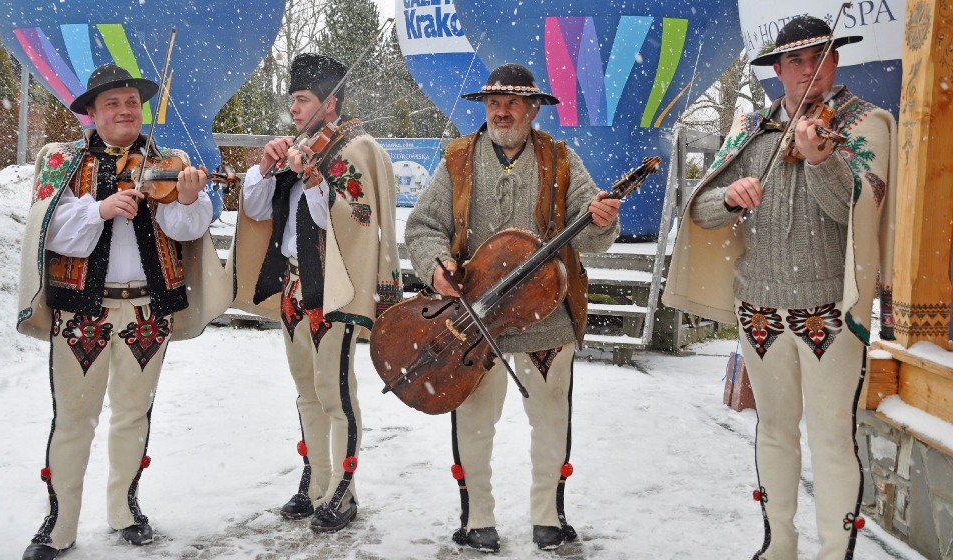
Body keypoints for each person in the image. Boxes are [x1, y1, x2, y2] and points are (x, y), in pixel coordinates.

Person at [664, 16, 897, 560]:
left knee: (833, 439)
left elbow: (858, 213)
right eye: (793, 60)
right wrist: (729, 198)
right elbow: (699, 205)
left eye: (818, 56)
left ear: (835, 61)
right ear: (777, 70)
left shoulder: (866, 125)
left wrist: (820, 160)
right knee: (773, 432)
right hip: (759, 310)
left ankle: (834, 552)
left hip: (831, 313)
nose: (806, 69)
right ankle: (780, 546)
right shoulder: (751, 130)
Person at [15, 64, 231, 560]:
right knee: (73, 419)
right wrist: (99, 208)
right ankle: (58, 523)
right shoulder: (63, 162)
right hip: (81, 308)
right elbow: (45, 228)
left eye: (132, 101)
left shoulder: (167, 161)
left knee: (133, 414)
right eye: (113, 103)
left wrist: (192, 199)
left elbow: (181, 231)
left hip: (147, 310)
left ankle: (124, 508)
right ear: (91, 113)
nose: (126, 110)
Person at [403, 63, 621, 553]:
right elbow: (423, 227)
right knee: (475, 420)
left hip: (546, 314)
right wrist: (437, 266)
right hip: (473, 318)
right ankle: (477, 516)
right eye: (494, 103)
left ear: (533, 109)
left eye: (513, 103)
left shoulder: (563, 160)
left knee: (550, 418)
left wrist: (602, 219)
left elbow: (593, 233)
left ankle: (548, 515)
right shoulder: (457, 158)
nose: (501, 112)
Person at [229, 53, 401, 533]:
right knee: (306, 389)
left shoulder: (356, 148)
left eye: (303, 99)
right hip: (292, 282)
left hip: (336, 287)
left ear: (330, 103)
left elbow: (356, 222)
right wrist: (265, 167)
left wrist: (314, 178)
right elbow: (258, 209)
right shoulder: (297, 146)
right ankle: (315, 480)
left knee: (334, 389)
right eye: (292, 100)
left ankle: (343, 490)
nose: (295, 109)